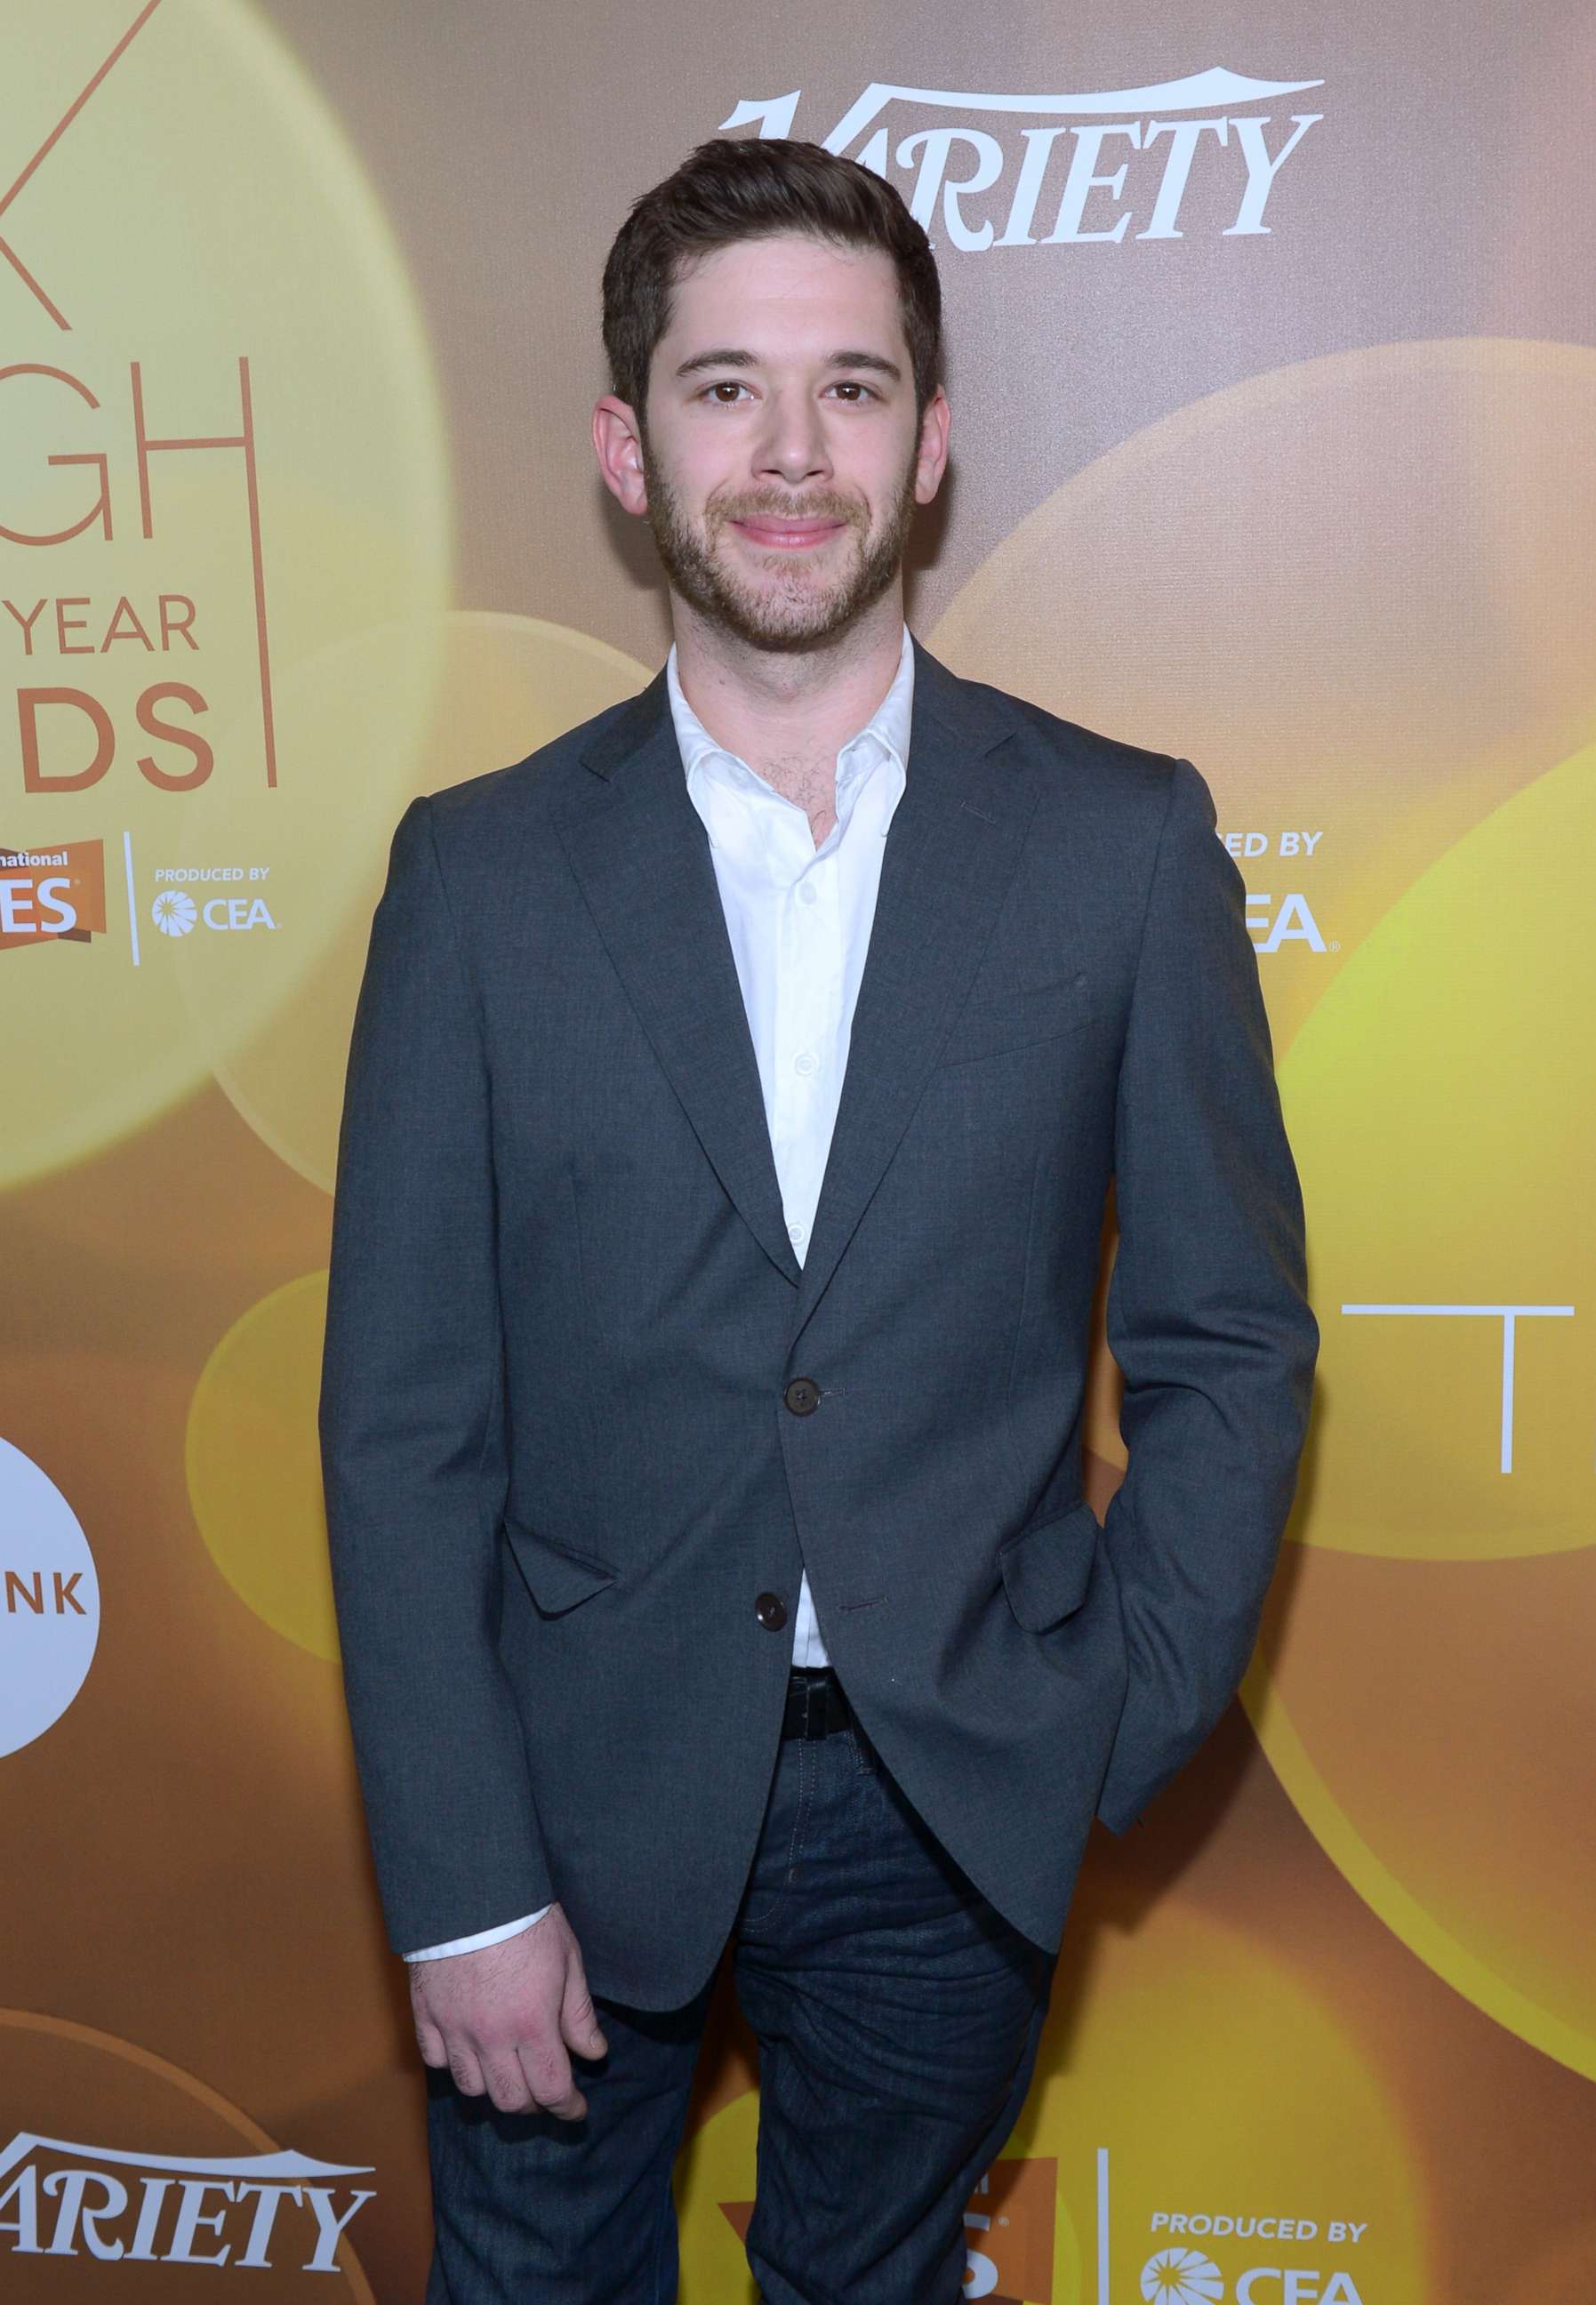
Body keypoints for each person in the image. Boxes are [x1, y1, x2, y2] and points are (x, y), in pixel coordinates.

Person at [320, 135, 1318, 2305]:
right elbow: (404, 1421)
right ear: (625, 443)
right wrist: (461, 1885)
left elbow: (1232, 1340)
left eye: (851, 389)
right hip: (563, 1797)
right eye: (723, 389)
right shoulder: (477, 876)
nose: (790, 455)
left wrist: (1104, 1712)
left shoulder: (1121, 845)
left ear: (932, 441)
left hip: (949, 1792)